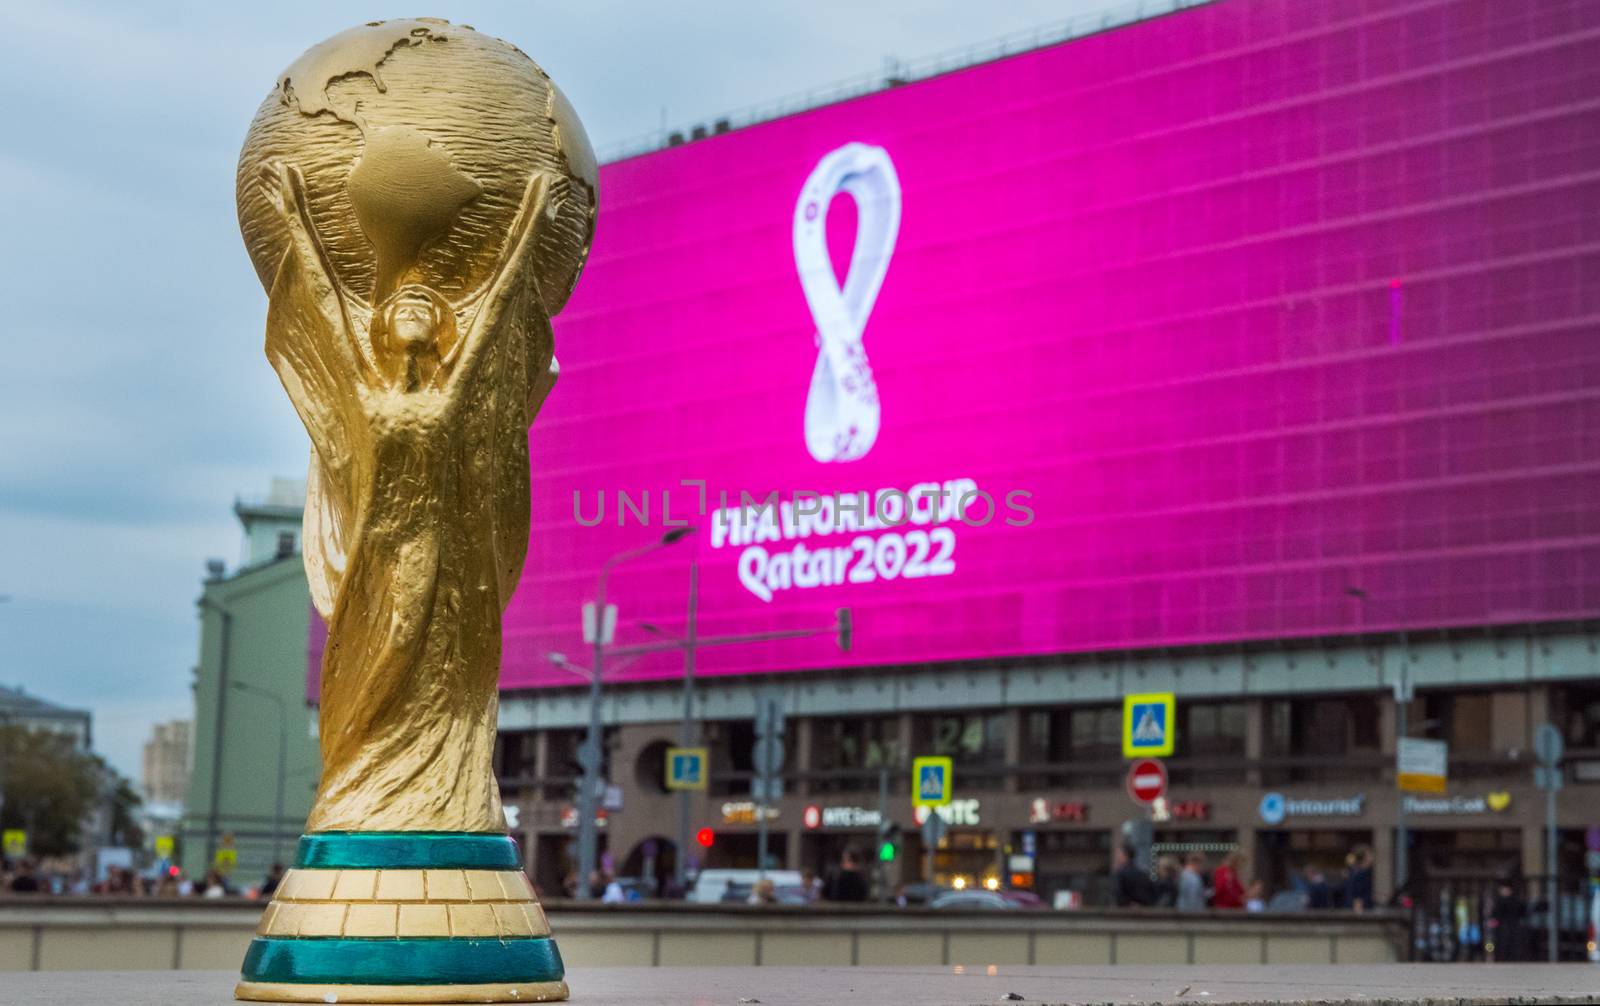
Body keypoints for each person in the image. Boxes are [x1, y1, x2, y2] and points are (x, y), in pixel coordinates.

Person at [1343, 845, 1374, 912]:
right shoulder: (1361, 874)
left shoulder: (1361, 872)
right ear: (1364, 857)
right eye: (1370, 854)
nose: (1373, 857)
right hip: (1362, 912)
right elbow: (1357, 898)